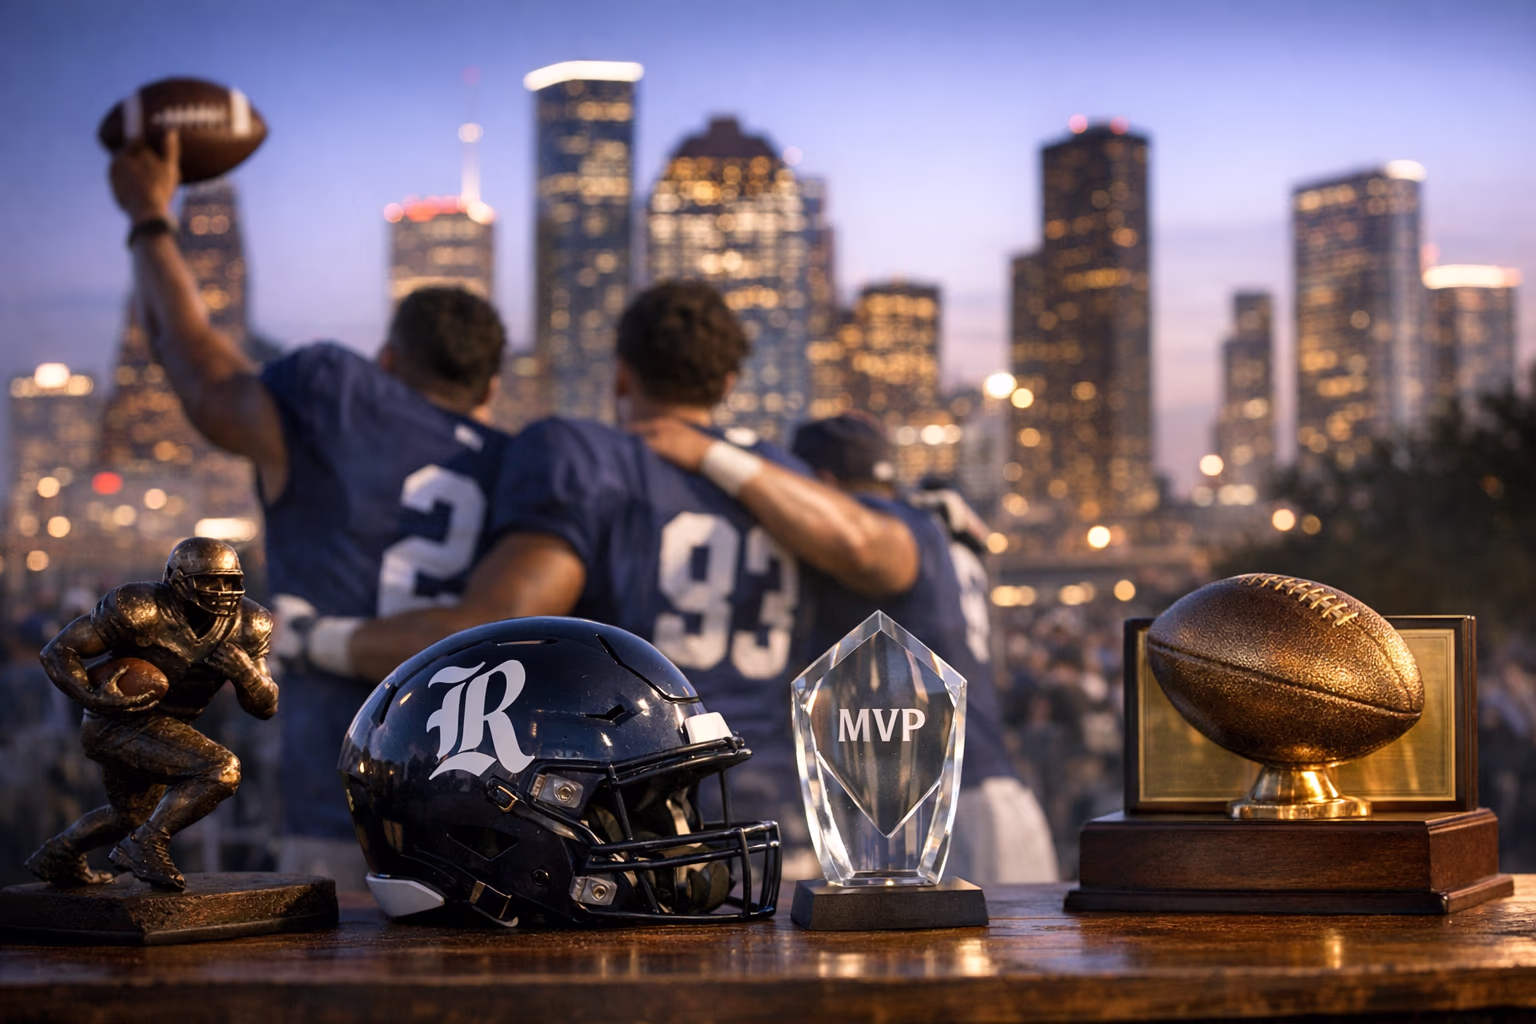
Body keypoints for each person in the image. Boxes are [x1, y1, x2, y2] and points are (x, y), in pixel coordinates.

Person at [347, 282, 921, 867]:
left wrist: (320, 639)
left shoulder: (587, 456)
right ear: (727, 384)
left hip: (634, 816)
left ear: (622, 374)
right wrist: (715, 457)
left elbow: (497, 628)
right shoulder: (779, 477)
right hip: (781, 818)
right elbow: (891, 559)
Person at [109, 131, 513, 884]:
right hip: (488, 820)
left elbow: (196, 369)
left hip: (340, 805)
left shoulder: (337, 398)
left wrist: (147, 218)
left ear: (388, 361)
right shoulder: (521, 465)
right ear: (489, 391)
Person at [642, 412, 1058, 883]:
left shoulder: (881, 527)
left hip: (935, 809)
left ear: (819, 483)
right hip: (989, 789)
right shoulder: (928, 522)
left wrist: (709, 455)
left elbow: (857, 540)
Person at [27, 539, 277, 890]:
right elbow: (58, 650)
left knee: (130, 815)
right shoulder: (139, 607)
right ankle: (147, 844)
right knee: (221, 769)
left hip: (168, 729)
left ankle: (59, 854)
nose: (222, 592)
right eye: (209, 581)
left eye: (229, 581)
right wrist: (92, 697)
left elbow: (265, 706)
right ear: (176, 580)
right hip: (114, 722)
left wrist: (246, 674)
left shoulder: (249, 623)